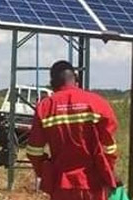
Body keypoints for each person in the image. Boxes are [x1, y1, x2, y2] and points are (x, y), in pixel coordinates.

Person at [26, 61, 119, 200]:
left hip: (61, 185)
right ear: (76, 79)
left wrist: (47, 173)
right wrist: (108, 172)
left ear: (52, 83)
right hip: (94, 185)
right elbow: (109, 148)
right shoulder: (98, 103)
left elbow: (34, 151)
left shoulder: (45, 107)